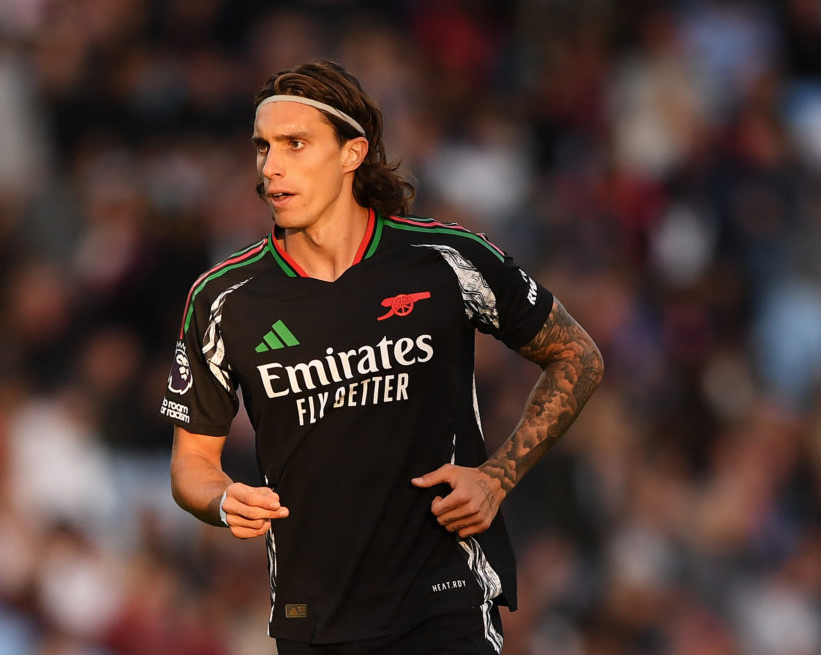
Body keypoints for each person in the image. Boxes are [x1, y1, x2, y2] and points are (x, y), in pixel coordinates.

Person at [162, 60, 603, 655]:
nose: (272, 166)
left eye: (296, 144)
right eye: (263, 147)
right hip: (310, 617)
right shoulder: (224, 299)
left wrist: (497, 478)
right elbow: (191, 463)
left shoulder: (445, 259)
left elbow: (577, 356)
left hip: (444, 601)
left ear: (353, 152)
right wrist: (221, 498)